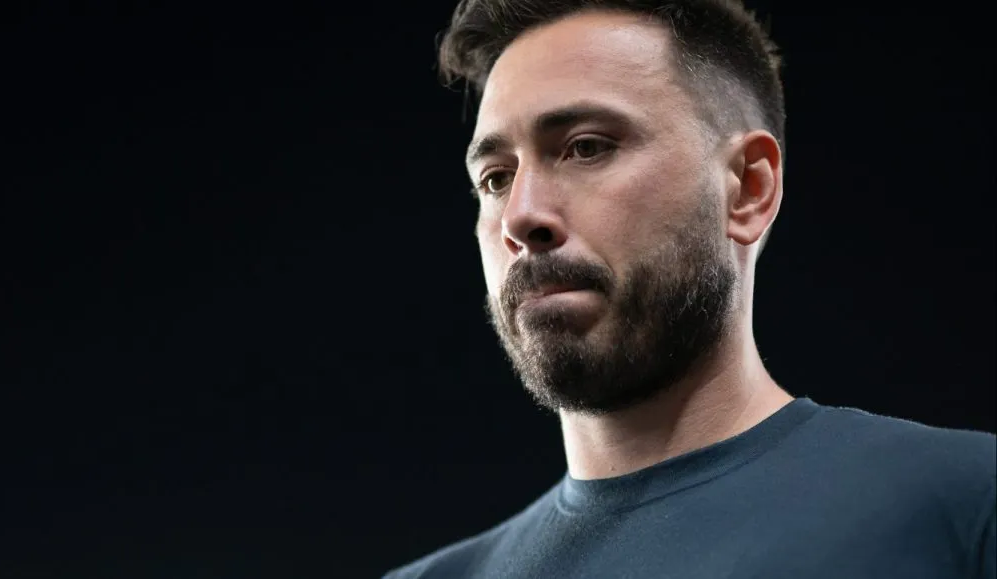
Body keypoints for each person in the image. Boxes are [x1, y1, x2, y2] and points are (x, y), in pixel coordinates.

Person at [384, 0, 996, 577]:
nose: (521, 216)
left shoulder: (966, 507)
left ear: (747, 189)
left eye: (586, 147)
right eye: (495, 179)